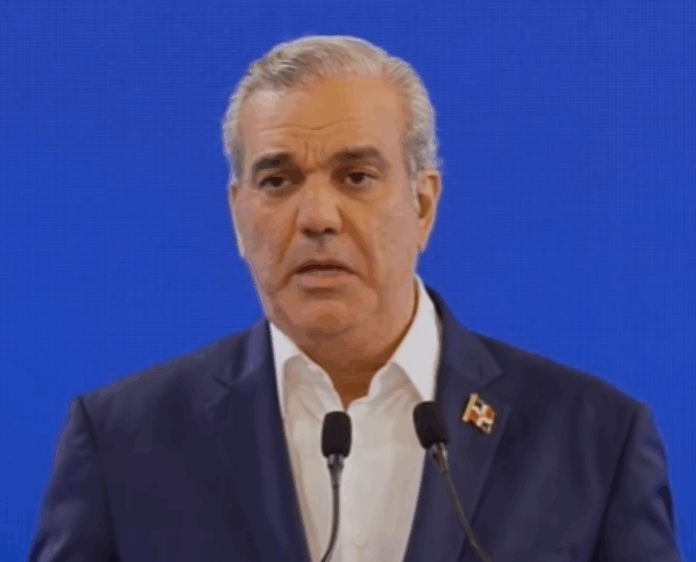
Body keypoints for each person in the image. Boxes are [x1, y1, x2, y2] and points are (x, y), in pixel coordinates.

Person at [28, 35, 681, 562]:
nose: (317, 216)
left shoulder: (595, 440)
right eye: (277, 180)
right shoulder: (123, 441)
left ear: (423, 204)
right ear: (237, 215)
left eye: (357, 176)